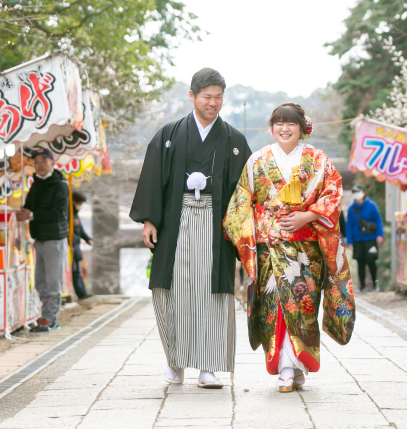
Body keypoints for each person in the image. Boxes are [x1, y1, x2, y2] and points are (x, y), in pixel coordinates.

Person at [129, 68, 252, 389]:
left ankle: (209, 367)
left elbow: (246, 193)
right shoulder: (169, 135)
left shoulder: (235, 140)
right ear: (192, 96)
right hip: (176, 220)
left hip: (217, 225)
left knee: (213, 293)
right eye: (207, 97)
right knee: (173, 290)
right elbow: (153, 179)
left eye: (219, 97)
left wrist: (244, 233)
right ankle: (175, 361)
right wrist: (149, 220)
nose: (213, 103)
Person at [224, 103, 355, 392]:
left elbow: (333, 193)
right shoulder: (257, 160)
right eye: (279, 124)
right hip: (270, 247)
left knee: (303, 307)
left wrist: (307, 216)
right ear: (271, 128)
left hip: (306, 251)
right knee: (277, 306)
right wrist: (260, 229)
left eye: (291, 124)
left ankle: (297, 364)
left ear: (302, 128)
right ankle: (286, 367)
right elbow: (240, 203)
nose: (285, 129)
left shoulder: (318, 160)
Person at [17, 148, 69, 333]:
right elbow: (29, 207)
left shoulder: (61, 184)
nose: (39, 165)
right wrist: (21, 212)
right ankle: (45, 316)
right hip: (39, 238)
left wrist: (31, 214)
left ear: (52, 163)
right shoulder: (37, 183)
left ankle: (51, 319)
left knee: (53, 281)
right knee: (40, 281)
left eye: (43, 161)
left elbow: (57, 214)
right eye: (36, 162)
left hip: (55, 239)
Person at [346, 184, 384, 292]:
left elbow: (378, 220)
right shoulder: (351, 208)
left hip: (370, 238)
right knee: (360, 262)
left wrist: (380, 234)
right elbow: (349, 225)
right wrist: (349, 241)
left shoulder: (372, 205)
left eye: (358, 191)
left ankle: (374, 283)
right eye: (354, 192)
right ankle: (362, 286)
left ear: (363, 193)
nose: (356, 194)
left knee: (371, 260)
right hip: (357, 239)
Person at [71, 191, 93, 300]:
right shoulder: (69, 213)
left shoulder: (75, 214)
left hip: (76, 245)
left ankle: (82, 291)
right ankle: (80, 292)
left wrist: (88, 238)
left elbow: (80, 230)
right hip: (71, 246)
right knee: (75, 270)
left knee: (77, 270)